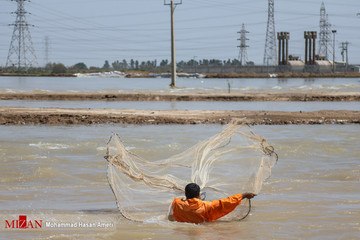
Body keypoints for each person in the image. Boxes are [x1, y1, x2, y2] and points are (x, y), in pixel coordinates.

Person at [168, 183, 256, 224]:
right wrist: (244, 195)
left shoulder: (176, 203)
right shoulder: (206, 206)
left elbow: (171, 217)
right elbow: (226, 203)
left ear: (185, 194)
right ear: (198, 194)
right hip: (201, 231)